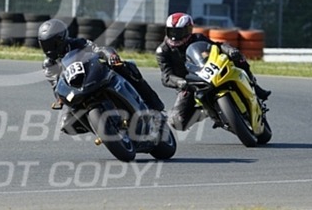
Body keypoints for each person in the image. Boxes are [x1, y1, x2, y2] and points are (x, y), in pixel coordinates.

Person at [156, 12, 271, 131]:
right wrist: (180, 82)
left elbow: (217, 46)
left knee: (238, 57)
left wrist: (230, 50)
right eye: (172, 32)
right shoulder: (163, 51)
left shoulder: (198, 38)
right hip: (190, 84)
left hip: (209, 70)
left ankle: (255, 86)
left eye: (179, 32)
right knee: (177, 122)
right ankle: (209, 112)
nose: (175, 36)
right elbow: (166, 76)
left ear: (189, 30)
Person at [37, 18, 165, 112]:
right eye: (45, 45)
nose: (48, 49)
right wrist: (60, 98)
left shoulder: (78, 43)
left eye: (51, 44)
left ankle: (154, 104)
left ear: (61, 39)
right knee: (65, 122)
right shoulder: (49, 64)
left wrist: (110, 55)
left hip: (93, 75)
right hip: (76, 90)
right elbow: (55, 86)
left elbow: (97, 49)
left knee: (128, 68)